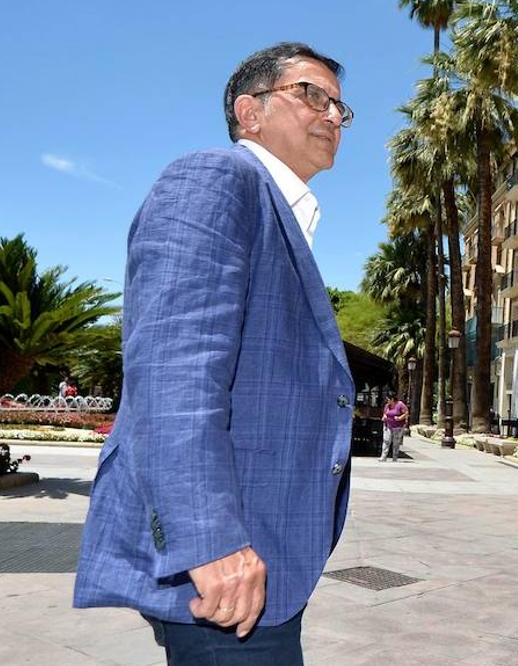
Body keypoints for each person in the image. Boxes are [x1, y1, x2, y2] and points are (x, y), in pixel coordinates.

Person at [74, 43, 356, 664]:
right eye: (312, 94)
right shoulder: (215, 177)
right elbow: (174, 374)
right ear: (248, 112)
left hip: (266, 560)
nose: (333, 115)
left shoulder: (282, 214)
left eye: (341, 106)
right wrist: (209, 542)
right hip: (226, 570)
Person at [379, 392, 408, 461]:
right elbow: (385, 414)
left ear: (392, 399)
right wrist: (384, 417)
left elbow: (406, 413)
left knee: (396, 442)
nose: (387, 401)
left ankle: (395, 457)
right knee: (386, 440)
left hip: (398, 426)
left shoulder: (400, 404)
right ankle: (383, 457)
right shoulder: (387, 406)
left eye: (388, 399)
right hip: (388, 425)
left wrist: (400, 418)